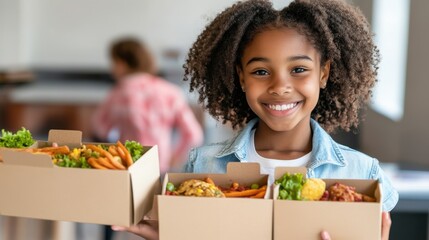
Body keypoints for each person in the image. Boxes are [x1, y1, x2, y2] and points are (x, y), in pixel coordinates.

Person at [112, 0, 398, 239]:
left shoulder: (362, 173)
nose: (280, 86)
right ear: (241, 77)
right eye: (261, 71)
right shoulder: (202, 166)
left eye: (299, 69)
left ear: (323, 74)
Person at [92, 37, 204, 174]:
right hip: (160, 166)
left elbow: (100, 129)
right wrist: (176, 156)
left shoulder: (118, 94)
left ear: (121, 64)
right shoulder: (170, 92)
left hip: (128, 164)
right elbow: (194, 134)